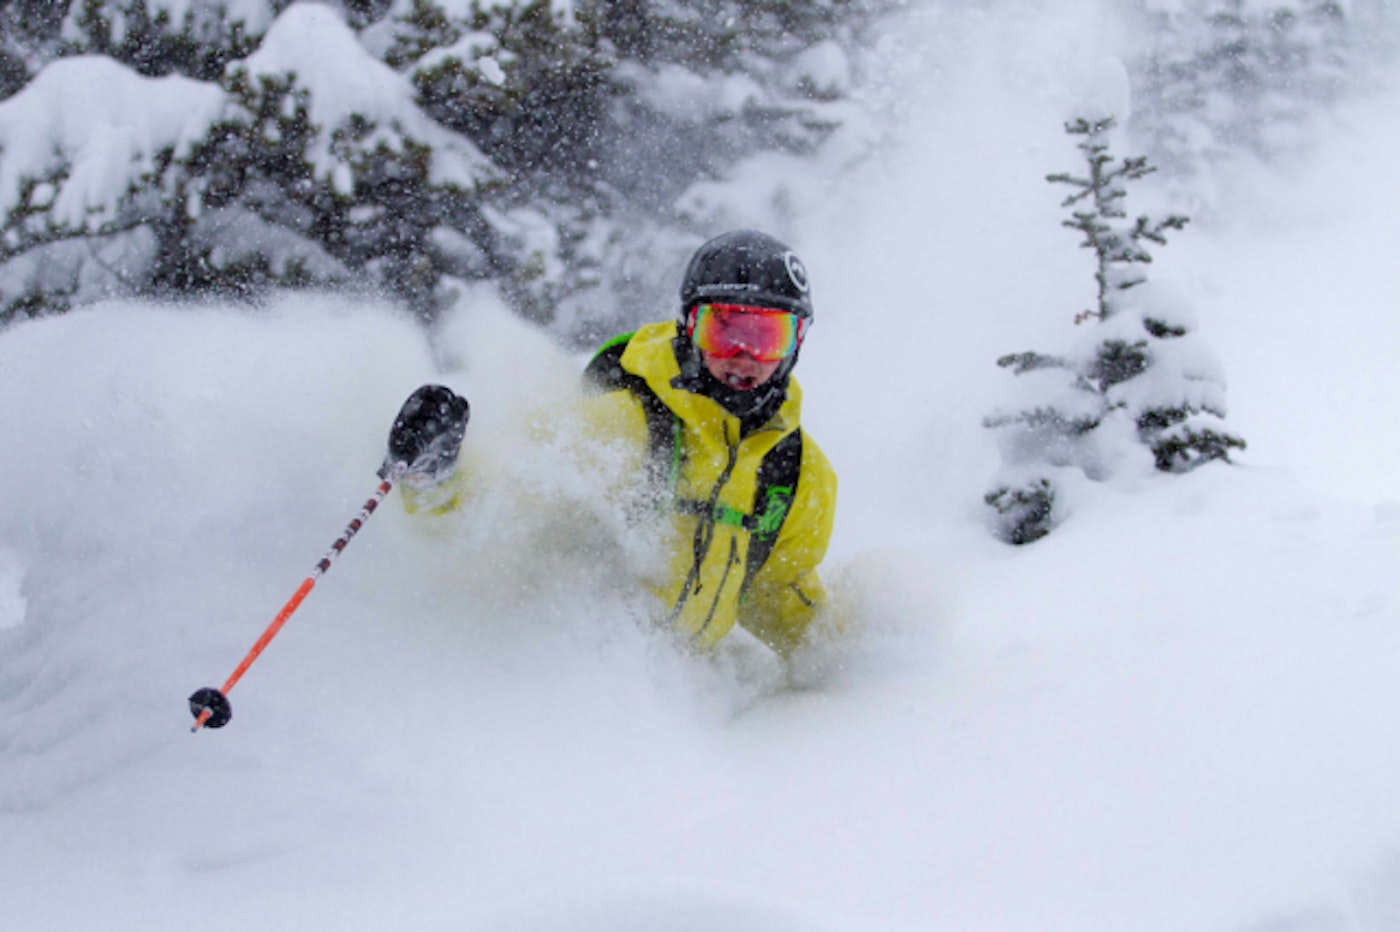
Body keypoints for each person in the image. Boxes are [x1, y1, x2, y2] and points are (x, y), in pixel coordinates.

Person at [381, 230, 837, 658]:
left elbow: (779, 594)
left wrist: (851, 662)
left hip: (687, 698)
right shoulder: (626, 426)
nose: (744, 357)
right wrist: (434, 476)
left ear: (795, 345)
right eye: (724, 332)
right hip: (588, 676)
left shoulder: (793, 471)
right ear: (688, 328)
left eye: (767, 337)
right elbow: (494, 508)